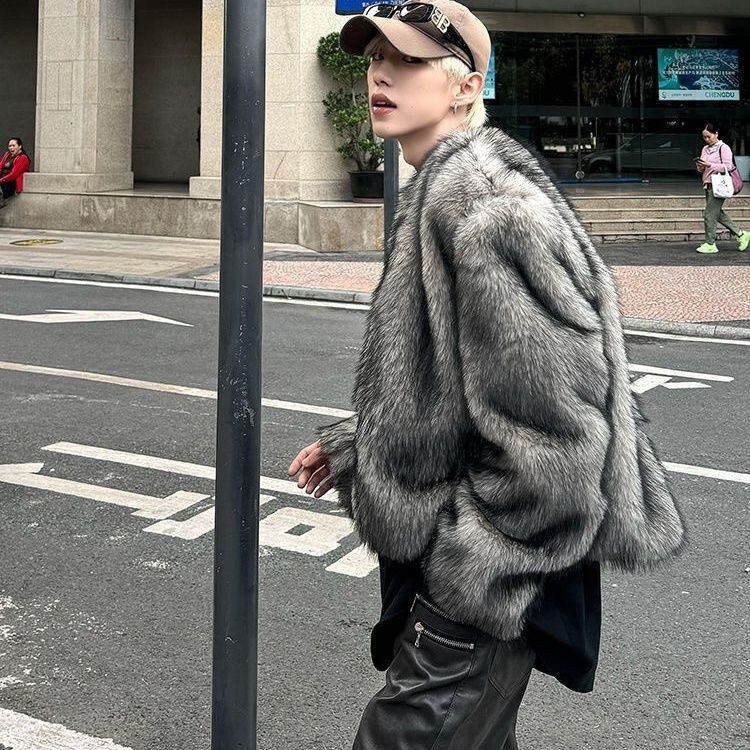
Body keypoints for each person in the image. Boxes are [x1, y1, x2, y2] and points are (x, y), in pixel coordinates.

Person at [288, 2, 685, 747]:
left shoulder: (488, 210)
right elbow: (463, 391)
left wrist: (472, 577)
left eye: (407, 60)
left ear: (466, 87)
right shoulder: (445, 193)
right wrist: (358, 446)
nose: (380, 74)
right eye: (376, 58)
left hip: (485, 595)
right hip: (475, 589)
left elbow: (558, 447)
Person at [695, 123, 750, 254]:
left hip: (719, 185)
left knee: (709, 214)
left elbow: (728, 166)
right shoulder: (705, 149)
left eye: (708, 136)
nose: (706, 139)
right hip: (708, 184)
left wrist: (709, 164)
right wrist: (700, 166)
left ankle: (710, 244)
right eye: (704, 137)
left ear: (716, 134)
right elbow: (702, 169)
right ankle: (742, 234)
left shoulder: (724, 148)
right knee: (717, 213)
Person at [0, 137, 31, 209]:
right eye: (10, 146)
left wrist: (1, 180)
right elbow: (0, 167)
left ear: (20, 146)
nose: (11, 148)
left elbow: (13, 175)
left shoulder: (23, 158)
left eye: (13, 145)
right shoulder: (7, 154)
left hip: (10, 184)